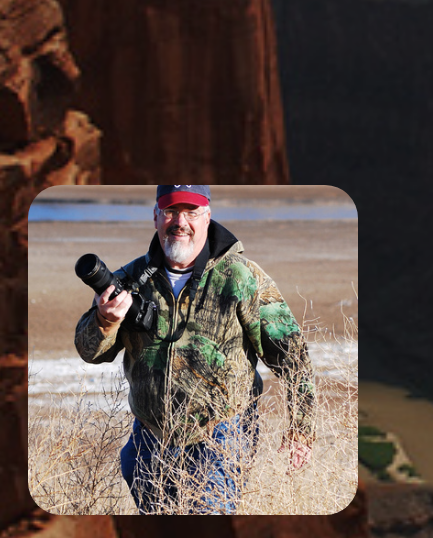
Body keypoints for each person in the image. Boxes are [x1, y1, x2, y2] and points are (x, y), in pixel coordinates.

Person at [74, 184, 315, 513]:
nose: (180, 222)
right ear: (156, 216)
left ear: (207, 216)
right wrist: (105, 319)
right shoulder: (130, 279)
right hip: (149, 438)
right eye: (171, 211)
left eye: (191, 212)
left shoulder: (241, 277)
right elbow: (89, 351)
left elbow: (293, 358)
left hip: (221, 435)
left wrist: (301, 430)